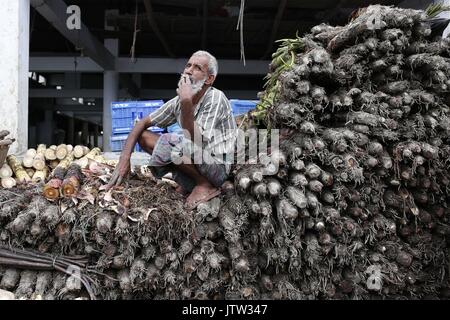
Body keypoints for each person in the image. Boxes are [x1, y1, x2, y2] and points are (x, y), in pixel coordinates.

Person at [106, 50, 237, 209]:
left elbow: (197, 139)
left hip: (218, 167)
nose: (188, 70)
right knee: (145, 137)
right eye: (188, 65)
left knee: (176, 145)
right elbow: (142, 123)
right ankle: (191, 181)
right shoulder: (178, 101)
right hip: (196, 156)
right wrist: (124, 159)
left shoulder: (215, 98)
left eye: (197, 68)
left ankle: (205, 184)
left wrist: (186, 102)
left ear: (209, 79)